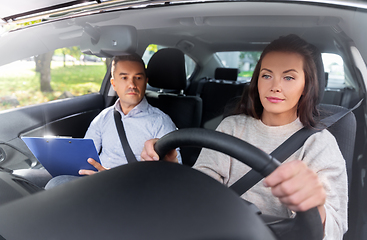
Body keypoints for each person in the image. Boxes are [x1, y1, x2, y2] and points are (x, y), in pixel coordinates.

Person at [141, 34, 348, 239]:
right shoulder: (232, 126)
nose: (275, 86)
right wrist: (171, 168)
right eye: (267, 75)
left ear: (306, 85)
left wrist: (314, 207)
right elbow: (200, 191)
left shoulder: (320, 143)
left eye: (289, 77)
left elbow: (334, 230)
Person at [45, 53, 181, 189]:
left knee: (55, 185)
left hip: (130, 188)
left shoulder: (160, 122)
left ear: (145, 81)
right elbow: (85, 155)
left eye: (138, 78)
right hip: (94, 180)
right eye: (124, 78)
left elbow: (176, 171)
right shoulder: (104, 117)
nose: (132, 84)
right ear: (113, 84)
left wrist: (112, 178)